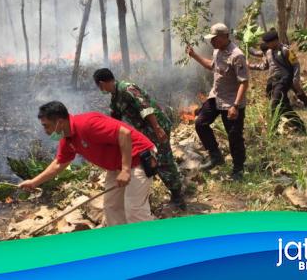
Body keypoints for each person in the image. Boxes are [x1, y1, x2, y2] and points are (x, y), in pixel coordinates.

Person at [19, 101, 156, 226]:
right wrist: (33, 182)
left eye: (46, 126)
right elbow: (58, 164)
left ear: (59, 122)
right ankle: (123, 245)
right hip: (117, 166)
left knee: (134, 210)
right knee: (112, 207)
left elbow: (124, 134)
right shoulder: (67, 139)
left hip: (138, 158)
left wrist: (125, 170)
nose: (46, 131)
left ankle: (151, 248)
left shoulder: (87, 124)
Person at [93, 68, 186, 209]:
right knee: (150, 161)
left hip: (156, 126)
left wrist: (157, 128)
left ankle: (178, 197)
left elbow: (145, 107)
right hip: (146, 130)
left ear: (101, 83)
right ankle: (157, 195)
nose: (101, 90)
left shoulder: (126, 88)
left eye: (99, 87)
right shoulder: (115, 97)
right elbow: (115, 119)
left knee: (163, 160)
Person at [185, 23, 249, 179]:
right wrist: (194, 56)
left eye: (215, 39)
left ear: (225, 36)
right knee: (200, 123)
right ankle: (215, 156)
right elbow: (212, 66)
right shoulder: (217, 51)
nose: (212, 42)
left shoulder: (237, 55)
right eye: (211, 39)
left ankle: (238, 169)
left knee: (234, 136)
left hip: (231, 103)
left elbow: (244, 82)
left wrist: (235, 106)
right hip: (216, 97)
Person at [248, 30, 306, 134]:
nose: (266, 45)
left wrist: (296, 78)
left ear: (275, 41)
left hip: (284, 80)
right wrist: (250, 66)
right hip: (272, 81)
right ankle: (300, 126)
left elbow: (296, 64)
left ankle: (273, 130)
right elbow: (264, 66)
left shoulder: (286, 50)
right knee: (283, 106)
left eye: (268, 43)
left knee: (275, 104)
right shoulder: (268, 52)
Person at [251, 42, 307, 108]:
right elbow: (257, 55)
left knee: (296, 87)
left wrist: (296, 76)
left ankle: (306, 103)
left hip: (287, 74)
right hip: (275, 76)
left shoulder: (284, 50)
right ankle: (281, 105)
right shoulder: (268, 53)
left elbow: (296, 64)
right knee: (271, 90)